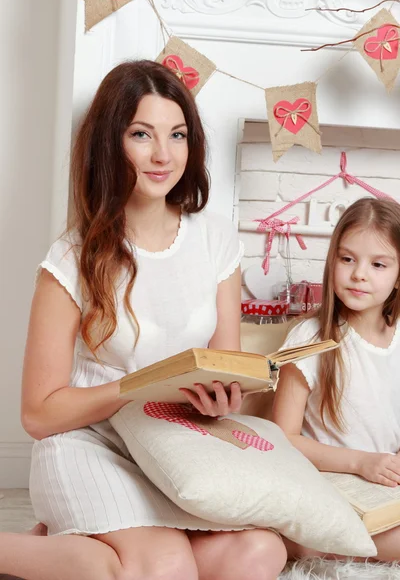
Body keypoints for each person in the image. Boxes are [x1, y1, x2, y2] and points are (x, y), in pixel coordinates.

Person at [0, 60, 287, 580]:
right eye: (141, 134)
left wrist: (224, 395)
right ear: (111, 143)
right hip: (87, 443)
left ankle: (81, 555)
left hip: (173, 444)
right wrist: (145, 387)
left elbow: (223, 362)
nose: (163, 155)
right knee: (166, 567)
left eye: (177, 135)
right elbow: (39, 414)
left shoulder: (216, 240)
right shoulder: (72, 257)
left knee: (261, 552)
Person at [272, 197, 400, 562]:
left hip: (383, 488)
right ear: (332, 262)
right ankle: (311, 545)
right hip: (331, 487)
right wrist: (362, 462)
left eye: (378, 264)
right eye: (347, 259)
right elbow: (283, 438)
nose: (359, 273)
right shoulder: (309, 339)